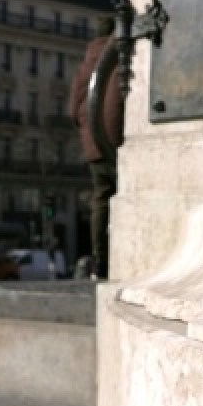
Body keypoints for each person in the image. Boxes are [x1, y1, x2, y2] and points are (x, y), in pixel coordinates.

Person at [69, 15, 124, 281]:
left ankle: (100, 261)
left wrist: (85, 128)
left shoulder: (86, 62)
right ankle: (123, 257)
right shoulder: (121, 51)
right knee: (124, 196)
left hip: (92, 138)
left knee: (101, 199)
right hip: (118, 137)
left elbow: (72, 107)